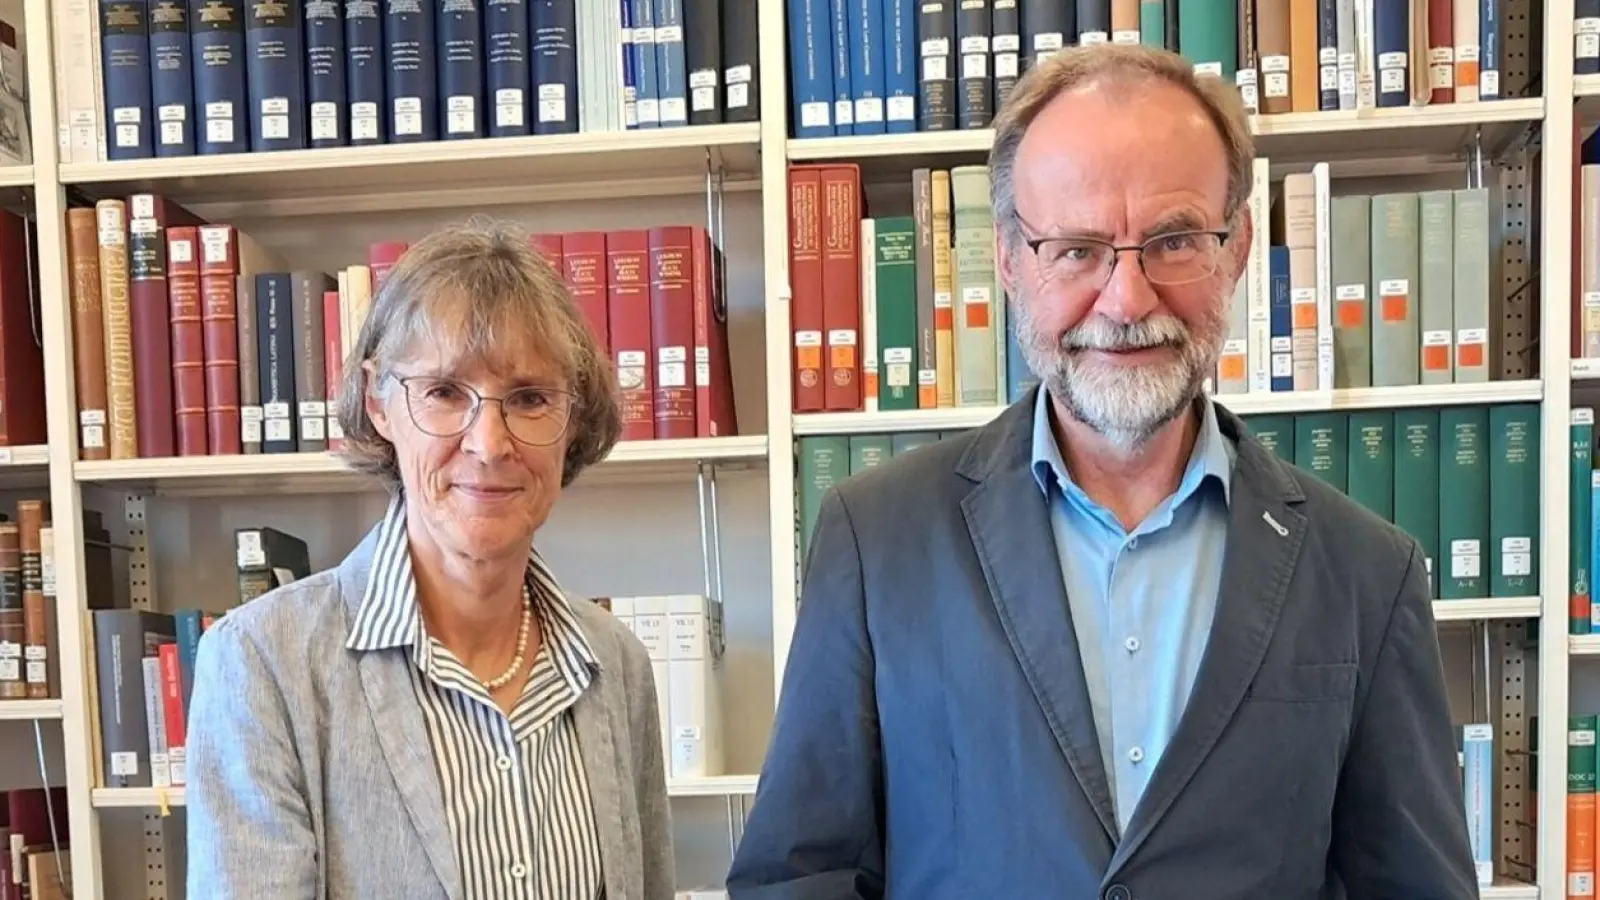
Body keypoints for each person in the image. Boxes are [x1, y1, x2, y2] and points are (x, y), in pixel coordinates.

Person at [726, 43, 1478, 899]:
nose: (1127, 300)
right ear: (1010, 261)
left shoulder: (1367, 575)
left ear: (1238, 251)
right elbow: (800, 877)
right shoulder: (877, 540)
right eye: (1078, 249)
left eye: (1175, 239)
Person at [184, 219, 675, 899]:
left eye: (530, 398)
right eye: (445, 392)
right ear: (380, 401)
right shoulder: (262, 664)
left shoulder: (616, 667)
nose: (490, 442)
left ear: (575, 418)